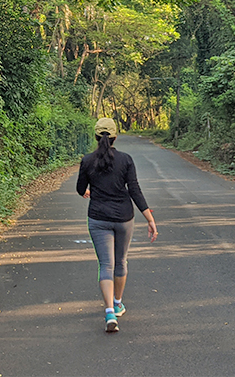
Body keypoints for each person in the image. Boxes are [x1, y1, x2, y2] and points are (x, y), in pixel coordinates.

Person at [76, 117, 158, 333]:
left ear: (95, 137)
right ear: (115, 137)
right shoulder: (126, 160)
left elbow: (80, 187)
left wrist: (87, 191)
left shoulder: (87, 160)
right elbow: (134, 190)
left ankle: (110, 312)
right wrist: (149, 218)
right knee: (121, 262)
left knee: (106, 265)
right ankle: (118, 302)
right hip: (124, 217)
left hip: (98, 217)